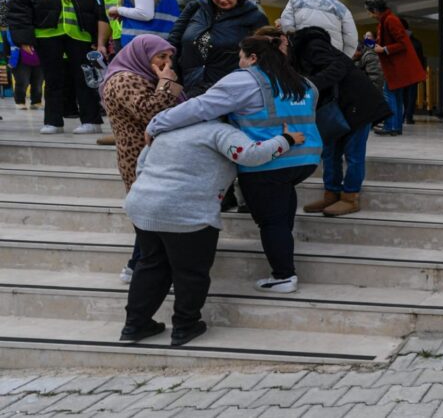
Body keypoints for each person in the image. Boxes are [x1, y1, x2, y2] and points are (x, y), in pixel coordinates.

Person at [147, 35, 322, 293]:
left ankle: (284, 276)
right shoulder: (303, 81)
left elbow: (201, 106)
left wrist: (157, 123)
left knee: (271, 221)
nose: (239, 63)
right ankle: (283, 261)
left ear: (253, 58)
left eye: (240, 57)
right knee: (281, 213)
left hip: (267, 162)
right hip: (305, 159)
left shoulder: (245, 80)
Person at [120, 119, 304, 346]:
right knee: (190, 271)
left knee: (150, 264)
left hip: (143, 205)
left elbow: (141, 165)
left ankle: (135, 325)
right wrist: (286, 139)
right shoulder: (219, 132)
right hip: (187, 211)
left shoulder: (169, 130)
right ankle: (185, 326)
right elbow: (251, 155)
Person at [100, 35, 185, 284]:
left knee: (151, 218)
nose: (166, 63)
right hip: (139, 157)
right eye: (161, 56)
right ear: (142, 55)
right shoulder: (124, 79)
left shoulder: (143, 77)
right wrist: (166, 83)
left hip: (153, 156)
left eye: (169, 57)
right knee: (149, 219)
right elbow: (153, 113)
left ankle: (138, 265)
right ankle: (138, 267)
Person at [7, 0, 109, 134]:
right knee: (53, 79)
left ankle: (92, 122)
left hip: (79, 38)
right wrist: (24, 38)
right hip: (47, 36)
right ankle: (53, 122)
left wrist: (96, 40)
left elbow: (94, 11)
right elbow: (18, 9)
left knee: (85, 78)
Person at [291, 26, 391, 216]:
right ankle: (331, 194)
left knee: (353, 153)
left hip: (357, 104)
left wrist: (310, 85)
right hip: (339, 107)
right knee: (330, 152)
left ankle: (350, 197)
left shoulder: (312, 45)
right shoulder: (303, 49)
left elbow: (338, 67)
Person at [168, 0, 268, 97]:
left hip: (229, 92)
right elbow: (173, 42)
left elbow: (264, 56)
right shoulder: (195, 8)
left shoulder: (254, 17)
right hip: (189, 88)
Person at [365, 0, 426, 136]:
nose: (370, 15)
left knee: (389, 94)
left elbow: (403, 43)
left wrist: (384, 49)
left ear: (376, 10)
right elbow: (382, 44)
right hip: (396, 66)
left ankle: (391, 126)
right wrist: (370, 43)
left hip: (396, 67)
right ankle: (396, 127)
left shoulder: (390, 20)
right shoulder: (386, 20)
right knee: (396, 96)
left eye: (370, 12)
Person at [279, 0, 357, 57]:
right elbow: (351, 39)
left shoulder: (295, 0)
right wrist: (342, 58)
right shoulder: (342, 9)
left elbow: (286, 24)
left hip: (302, 54)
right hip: (330, 57)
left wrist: (295, 44)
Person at [6, 28, 43, 110]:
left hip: (39, 54)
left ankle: (36, 101)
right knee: (22, 81)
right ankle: (20, 102)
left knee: (38, 82)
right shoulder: (14, 25)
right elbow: (9, 40)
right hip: (19, 56)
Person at [402, 18, 426, 124]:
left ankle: (403, 116)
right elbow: (421, 59)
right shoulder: (417, 42)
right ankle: (409, 116)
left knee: (403, 95)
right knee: (411, 95)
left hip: (403, 72)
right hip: (414, 72)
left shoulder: (401, 41)